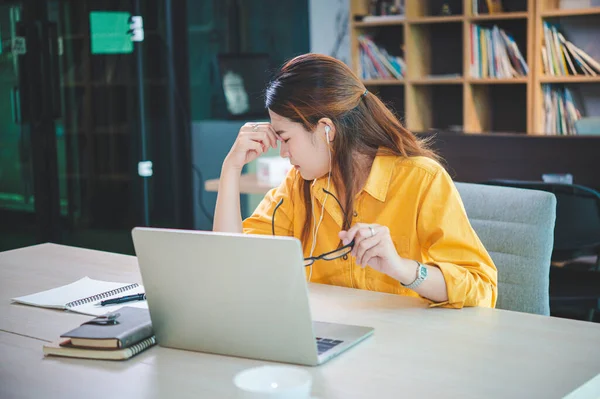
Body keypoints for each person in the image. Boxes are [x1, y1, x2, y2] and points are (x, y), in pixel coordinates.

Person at [213, 53, 497, 309]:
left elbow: (481, 288)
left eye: (286, 138)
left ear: (326, 129)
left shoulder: (422, 179)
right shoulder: (298, 185)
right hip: (329, 342)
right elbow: (232, 266)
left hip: (404, 348)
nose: (284, 153)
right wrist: (231, 168)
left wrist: (402, 269)